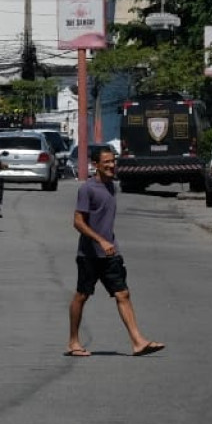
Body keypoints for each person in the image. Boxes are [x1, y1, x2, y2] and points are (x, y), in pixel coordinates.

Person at [66, 146, 164, 358]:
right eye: (107, 162)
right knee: (82, 295)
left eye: (113, 161)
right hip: (89, 255)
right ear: (95, 165)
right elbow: (78, 222)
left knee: (123, 294)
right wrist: (100, 240)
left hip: (111, 253)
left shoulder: (112, 186)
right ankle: (73, 341)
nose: (112, 165)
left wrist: (108, 242)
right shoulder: (87, 189)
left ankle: (138, 342)